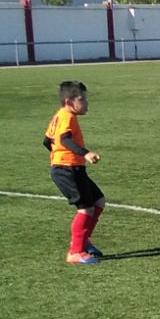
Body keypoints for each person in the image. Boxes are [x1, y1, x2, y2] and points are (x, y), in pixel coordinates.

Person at [44, 80, 106, 265]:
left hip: (71, 167)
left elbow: (47, 141)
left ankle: (83, 240)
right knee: (86, 208)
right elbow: (64, 140)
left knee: (98, 201)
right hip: (66, 169)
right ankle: (75, 252)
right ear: (70, 102)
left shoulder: (60, 116)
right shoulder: (66, 117)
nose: (86, 103)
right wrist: (84, 153)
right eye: (82, 99)